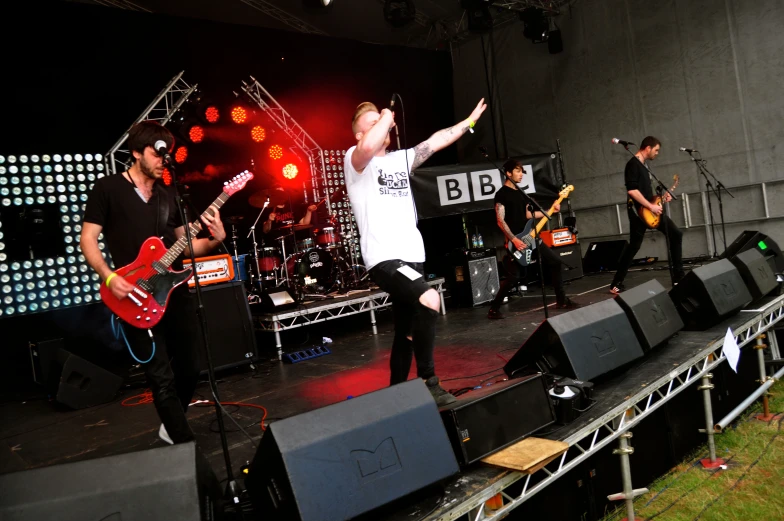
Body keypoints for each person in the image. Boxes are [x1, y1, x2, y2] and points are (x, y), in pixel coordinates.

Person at [80, 120, 226, 445]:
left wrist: (215, 240)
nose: (163, 158)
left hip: (174, 292)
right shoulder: (108, 189)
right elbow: (87, 239)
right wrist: (109, 276)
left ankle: (172, 425)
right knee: (161, 378)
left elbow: (185, 245)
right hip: (135, 295)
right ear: (135, 153)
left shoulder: (168, 195)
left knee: (190, 369)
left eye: (167, 153)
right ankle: (187, 449)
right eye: (157, 152)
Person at [344, 98, 487, 406]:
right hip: (384, 257)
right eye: (370, 124)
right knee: (431, 298)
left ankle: (396, 394)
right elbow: (368, 146)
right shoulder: (356, 160)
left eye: (381, 121)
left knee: (406, 332)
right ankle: (430, 382)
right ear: (358, 134)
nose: (380, 124)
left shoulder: (401, 159)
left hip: (413, 256)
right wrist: (383, 116)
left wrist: (469, 121)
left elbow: (437, 141)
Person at [487, 159, 578, 319]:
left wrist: (549, 211)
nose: (521, 174)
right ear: (508, 173)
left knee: (555, 262)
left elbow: (529, 215)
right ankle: (494, 309)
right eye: (517, 171)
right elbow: (500, 221)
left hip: (531, 238)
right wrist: (514, 239)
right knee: (514, 277)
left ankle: (561, 300)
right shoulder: (501, 194)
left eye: (522, 171)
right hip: (517, 242)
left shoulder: (521, 194)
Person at [610, 136, 684, 295]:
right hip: (639, 213)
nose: (657, 153)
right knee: (635, 247)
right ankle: (616, 283)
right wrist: (650, 205)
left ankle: (678, 278)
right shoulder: (632, 165)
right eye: (656, 150)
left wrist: (662, 200)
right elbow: (632, 191)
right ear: (647, 148)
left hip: (649, 211)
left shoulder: (644, 166)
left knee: (674, 235)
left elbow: (646, 193)